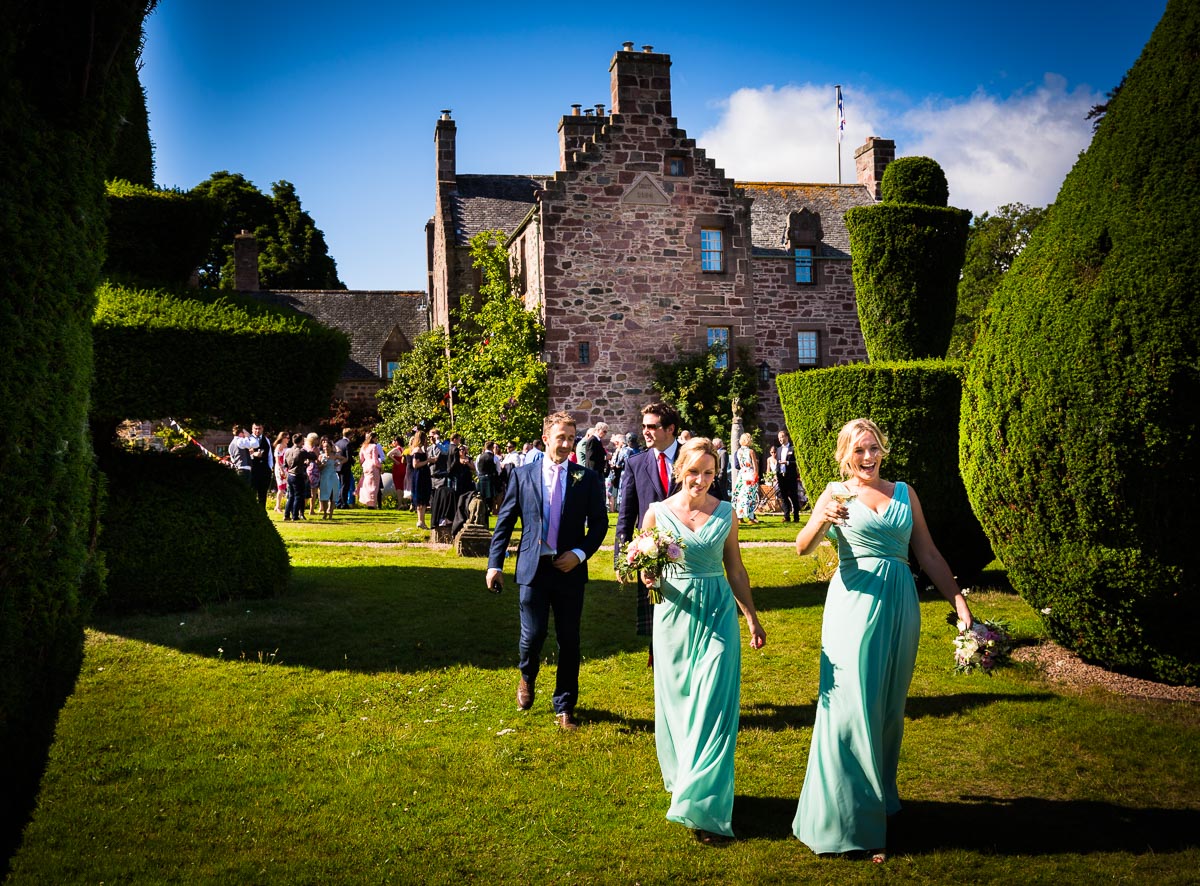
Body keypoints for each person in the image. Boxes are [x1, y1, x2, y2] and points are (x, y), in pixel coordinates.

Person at [792, 418, 974, 863]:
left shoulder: (905, 493)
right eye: (858, 450)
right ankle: (850, 821)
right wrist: (821, 520)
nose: (868, 457)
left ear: (883, 450)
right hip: (852, 607)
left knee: (888, 709)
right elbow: (802, 546)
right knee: (850, 709)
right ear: (845, 456)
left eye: (873, 448)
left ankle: (879, 800)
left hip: (900, 606)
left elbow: (927, 553)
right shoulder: (835, 493)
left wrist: (959, 603)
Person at [639, 437, 766, 843]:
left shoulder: (727, 513)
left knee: (714, 704)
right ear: (680, 470)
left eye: (709, 473)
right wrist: (645, 575)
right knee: (679, 706)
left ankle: (704, 806)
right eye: (694, 471)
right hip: (674, 615)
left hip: (717, 614)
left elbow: (736, 569)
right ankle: (686, 782)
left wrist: (751, 617)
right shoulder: (657, 513)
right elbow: (642, 565)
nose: (701, 479)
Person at [486, 412, 608, 731]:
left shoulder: (586, 478)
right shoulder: (523, 475)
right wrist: (494, 565)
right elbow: (505, 522)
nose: (566, 444)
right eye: (560, 438)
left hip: (569, 570)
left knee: (569, 639)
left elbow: (599, 524)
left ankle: (565, 706)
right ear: (546, 439)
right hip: (533, 569)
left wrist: (579, 554)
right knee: (533, 634)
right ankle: (527, 676)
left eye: (571, 438)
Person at [614, 401, 683, 662]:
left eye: (652, 426)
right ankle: (659, 663)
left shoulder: (691, 457)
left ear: (670, 429)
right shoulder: (636, 463)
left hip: (688, 551)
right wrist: (621, 558)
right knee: (657, 618)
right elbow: (626, 515)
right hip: (651, 553)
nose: (645, 431)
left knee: (687, 619)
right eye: (644, 426)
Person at [283, 433, 317, 521]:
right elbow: (314, 456)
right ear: (301, 441)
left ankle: (286, 515)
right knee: (298, 496)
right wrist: (310, 450)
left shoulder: (288, 451)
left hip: (290, 475)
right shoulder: (301, 451)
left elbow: (285, 464)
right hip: (297, 475)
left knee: (291, 496)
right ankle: (295, 516)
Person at [776, 430, 803, 522]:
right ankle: (786, 516)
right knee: (783, 496)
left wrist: (787, 462)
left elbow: (797, 462)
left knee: (793, 496)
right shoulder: (778, 449)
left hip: (790, 476)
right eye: (779, 438)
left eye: (782, 437)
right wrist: (777, 473)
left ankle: (796, 517)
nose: (780, 439)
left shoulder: (792, 448)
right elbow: (778, 463)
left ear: (786, 437)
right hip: (781, 476)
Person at [732, 433, 760, 524]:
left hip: (741, 474)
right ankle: (751, 518)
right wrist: (756, 474)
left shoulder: (738, 451)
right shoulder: (751, 451)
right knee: (750, 496)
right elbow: (755, 465)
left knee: (740, 496)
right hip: (749, 474)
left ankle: (739, 517)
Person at [408, 428, 432, 529]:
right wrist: (428, 461)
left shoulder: (421, 449)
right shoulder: (417, 450)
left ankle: (422, 521)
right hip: (420, 475)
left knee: (423, 498)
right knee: (420, 498)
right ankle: (420, 520)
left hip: (423, 474)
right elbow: (415, 464)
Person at [316, 436, 346, 519]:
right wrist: (322, 465)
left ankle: (330, 515)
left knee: (333, 496)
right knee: (324, 496)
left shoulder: (334, 456)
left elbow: (345, 459)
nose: (326, 448)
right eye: (324, 447)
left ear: (331, 447)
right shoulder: (321, 456)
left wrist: (339, 463)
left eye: (328, 447)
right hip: (324, 477)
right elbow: (318, 468)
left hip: (333, 477)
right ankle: (325, 513)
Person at [247, 423, 273, 507]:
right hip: (253, 470)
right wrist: (253, 454)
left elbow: (269, 455)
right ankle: (252, 511)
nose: (257, 430)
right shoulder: (248, 440)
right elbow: (245, 455)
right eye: (255, 428)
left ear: (262, 429)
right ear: (252, 429)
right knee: (252, 493)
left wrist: (270, 468)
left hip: (265, 470)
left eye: (259, 428)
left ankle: (262, 512)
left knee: (263, 493)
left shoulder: (266, 440)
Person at [358, 431, 384, 509]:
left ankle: (368, 502)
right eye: (376, 438)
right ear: (373, 438)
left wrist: (363, 465)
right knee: (374, 486)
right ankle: (372, 503)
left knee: (367, 485)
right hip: (373, 467)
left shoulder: (363, 446)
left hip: (365, 466)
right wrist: (380, 467)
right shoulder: (374, 446)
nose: (376, 439)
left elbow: (361, 459)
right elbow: (375, 460)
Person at [335, 429, 355, 508]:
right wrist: (353, 461)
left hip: (338, 466)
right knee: (345, 485)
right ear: (350, 435)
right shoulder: (347, 443)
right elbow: (348, 457)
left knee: (341, 485)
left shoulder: (337, 443)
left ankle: (339, 502)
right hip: (345, 466)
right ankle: (344, 503)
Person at [272, 431, 290, 512]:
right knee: (281, 488)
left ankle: (278, 506)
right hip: (280, 468)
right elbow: (277, 460)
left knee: (284, 487)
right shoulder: (279, 446)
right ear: (283, 438)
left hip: (285, 468)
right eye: (287, 438)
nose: (288, 439)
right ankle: (278, 506)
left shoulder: (285, 446)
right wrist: (281, 470)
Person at [305, 432, 322, 516]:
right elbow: (318, 460)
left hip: (307, 469)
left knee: (306, 490)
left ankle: (302, 508)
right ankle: (311, 510)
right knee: (314, 491)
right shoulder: (315, 449)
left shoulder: (305, 447)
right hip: (314, 469)